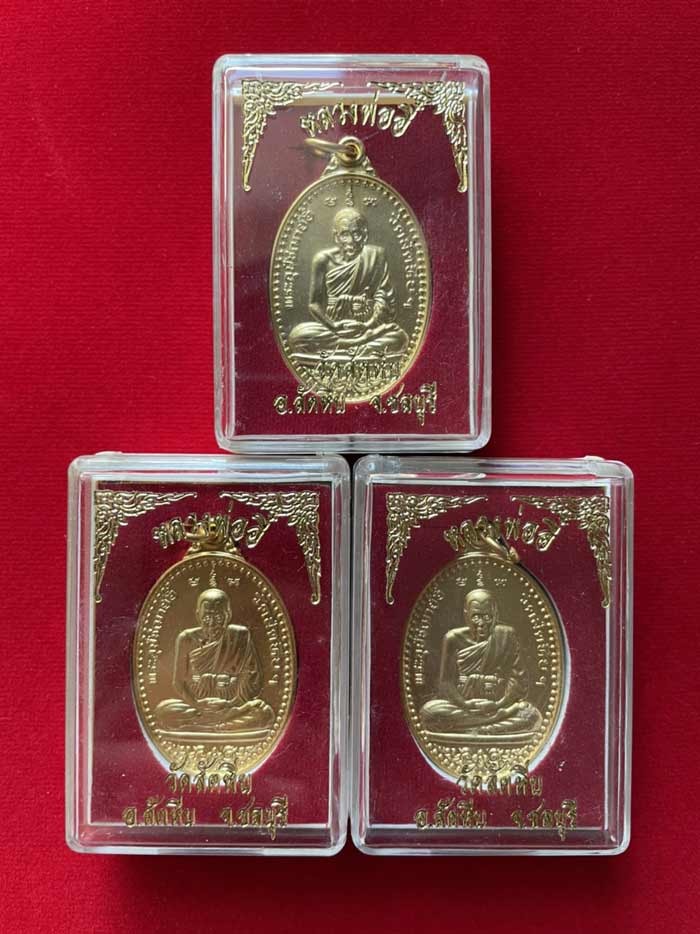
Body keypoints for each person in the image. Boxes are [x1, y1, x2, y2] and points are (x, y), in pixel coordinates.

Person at [420, 588, 543, 736]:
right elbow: (445, 683)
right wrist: (465, 704)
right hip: (463, 706)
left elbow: (519, 681)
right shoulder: (452, 638)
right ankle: (490, 727)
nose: (482, 623)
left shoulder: (506, 635)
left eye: (487, 617)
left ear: (495, 615)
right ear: (466, 615)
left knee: (530, 714)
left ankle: (472, 728)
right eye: (476, 616)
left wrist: (498, 704)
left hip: (498, 705)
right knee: (428, 713)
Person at [288, 207, 409, 357]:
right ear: (336, 237)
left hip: (367, 325)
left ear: (365, 236)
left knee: (400, 338)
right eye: (345, 234)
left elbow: (385, 299)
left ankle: (346, 346)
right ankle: (361, 344)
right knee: (296, 337)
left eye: (356, 234)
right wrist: (333, 326)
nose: (351, 241)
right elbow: (314, 304)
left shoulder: (376, 255)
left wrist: (367, 325)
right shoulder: (323, 260)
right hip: (333, 328)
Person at [155, 588, 274, 732]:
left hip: (233, 706)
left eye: (218, 618)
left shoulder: (240, 635)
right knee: (163, 711)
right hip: (197, 707)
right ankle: (222, 726)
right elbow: (178, 682)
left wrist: (230, 703)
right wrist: (197, 703)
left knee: (264, 713)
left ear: (228, 615)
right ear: (198, 616)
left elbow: (252, 679)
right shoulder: (186, 639)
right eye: (206, 618)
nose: (211, 624)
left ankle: (204, 726)